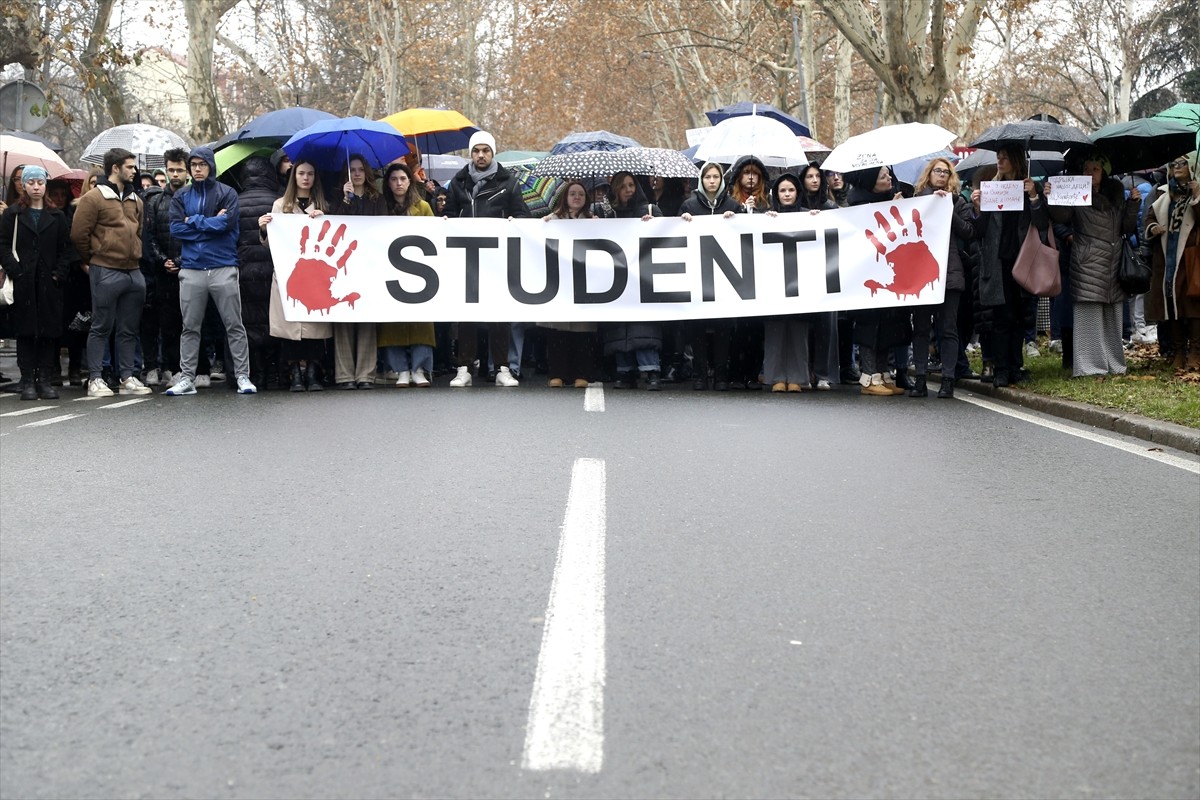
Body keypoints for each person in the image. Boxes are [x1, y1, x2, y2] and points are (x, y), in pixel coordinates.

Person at [162, 146, 255, 395]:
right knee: (190, 326)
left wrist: (194, 221)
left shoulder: (227, 193)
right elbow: (175, 229)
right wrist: (211, 222)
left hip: (223, 264)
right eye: (194, 165)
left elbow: (228, 224)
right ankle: (187, 378)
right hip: (192, 268)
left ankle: (243, 376)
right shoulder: (182, 196)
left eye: (202, 164)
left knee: (233, 324)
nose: (198, 169)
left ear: (211, 166)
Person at [442, 130, 532, 387]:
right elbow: (448, 212)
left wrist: (516, 221)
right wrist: (447, 220)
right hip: (467, 257)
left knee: (499, 313)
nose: (481, 155)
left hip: (498, 258)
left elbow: (521, 214)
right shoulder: (458, 182)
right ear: (471, 154)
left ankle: (502, 367)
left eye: (486, 151)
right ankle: (464, 368)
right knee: (466, 314)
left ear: (493, 153)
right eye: (476, 151)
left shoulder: (508, 182)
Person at [1045, 154, 1140, 378]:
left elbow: (1125, 227)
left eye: (1095, 169)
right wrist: (1051, 196)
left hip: (1113, 262)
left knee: (1112, 315)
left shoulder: (1115, 194)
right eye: (1086, 168)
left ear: (1103, 172)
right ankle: (1090, 367)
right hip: (1087, 261)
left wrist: (1134, 204)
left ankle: (1114, 364)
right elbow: (1061, 215)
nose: (1090, 172)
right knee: (1089, 315)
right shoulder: (1077, 191)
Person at [70, 147, 152, 397]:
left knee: (129, 328)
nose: (134, 171)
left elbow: (138, 233)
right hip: (105, 269)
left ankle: (127, 376)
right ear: (115, 168)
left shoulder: (136, 199)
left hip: (133, 271)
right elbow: (78, 235)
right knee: (101, 326)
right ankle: (95, 379)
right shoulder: (93, 198)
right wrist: (94, 259)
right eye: (129, 166)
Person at [970, 147, 1049, 388]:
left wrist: (1034, 196)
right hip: (999, 262)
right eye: (998, 157)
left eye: (1004, 157)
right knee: (1002, 317)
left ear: (1015, 160)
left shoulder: (1028, 188)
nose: (1000, 161)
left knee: (1020, 315)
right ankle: (1001, 368)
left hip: (1023, 260)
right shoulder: (991, 188)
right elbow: (980, 230)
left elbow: (1042, 222)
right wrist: (978, 208)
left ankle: (1016, 366)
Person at [259, 158, 331, 391]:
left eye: (310, 174)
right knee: (291, 328)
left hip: (316, 278)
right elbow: (272, 245)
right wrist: (264, 229)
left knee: (314, 327)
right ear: (294, 176)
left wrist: (325, 220)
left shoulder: (322, 205)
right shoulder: (280, 205)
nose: (306, 178)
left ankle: (313, 372)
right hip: (290, 275)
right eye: (301, 173)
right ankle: (294, 374)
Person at [0, 165, 71, 400]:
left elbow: (64, 249)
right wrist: (17, 271)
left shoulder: (57, 215)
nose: (36, 187)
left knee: (49, 331)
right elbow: (3, 246)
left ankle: (45, 380)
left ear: (45, 184)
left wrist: (58, 274)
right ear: (24, 186)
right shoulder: (14, 214)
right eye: (31, 183)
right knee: (26, 332)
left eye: (40, 182)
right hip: (24, 281)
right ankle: (28, 380)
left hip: (50, 282)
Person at [910, 156, 978, 397]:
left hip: (949, 272)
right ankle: (919, 377)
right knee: (919, 328)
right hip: (920, 275)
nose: (941, 175)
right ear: (928, 175)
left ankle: (948, 379)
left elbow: (969, 231)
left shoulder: (957, 202)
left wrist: (947, 208)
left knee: (947, 328)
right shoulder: (917, 202)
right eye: (937, 171)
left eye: (946, 172)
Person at [845, 164, 907, 396]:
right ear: (872, 181)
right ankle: (869, 378)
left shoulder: (891, 198)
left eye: (889, 173)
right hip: (867, 275)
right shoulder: (857, 205)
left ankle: (883, 373)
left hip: (888, 272)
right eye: (883, 175)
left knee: (888, 325)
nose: (889, 178)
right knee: (869, 326)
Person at [378, 161, 436, 387]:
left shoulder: (422, 207)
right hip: (391, 270)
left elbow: (435, 235)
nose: (398, 183)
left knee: (422, 321)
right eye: (393, 179)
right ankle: (400, 369)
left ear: (409, 181)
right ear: (388, 184)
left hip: (421, 273)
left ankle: (419, 368)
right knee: (393, 322)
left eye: (402, 179)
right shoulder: (381, 207)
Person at [604, 171, 663, 389]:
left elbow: (667, 236)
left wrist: (655, 223)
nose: (629, 190)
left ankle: (651, 370)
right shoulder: (609, 216)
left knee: (642, 323)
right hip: (618, 280)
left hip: (643, 279)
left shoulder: (649, 210)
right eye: (623, 186)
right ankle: (625, 370)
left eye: (632, 185)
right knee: (620, 325)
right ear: (616, 190)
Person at [539, 180, 601, 388]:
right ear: (565, 197)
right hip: (559, 284)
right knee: (557, 333)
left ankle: (581, 373)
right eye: (572, 194)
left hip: (582, 283)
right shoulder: (553, 220)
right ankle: (557, 373)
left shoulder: (592, 220)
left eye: (581, 195)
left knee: (582, 334)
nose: (576, 198)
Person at [333, 154, 387, 389]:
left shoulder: (378, 199)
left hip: (368, 263)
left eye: (359, 170)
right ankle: (344, 374)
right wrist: (346, 201)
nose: (356, 174)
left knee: (366, 318)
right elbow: (334, 225)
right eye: (351, 170)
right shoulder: (338, 197)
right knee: (342, 317)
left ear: (366, 173)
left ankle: (366, 374)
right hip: (343, 265)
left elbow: (382, 226)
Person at [1143, 152, 1200, 371]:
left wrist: (1196, 197)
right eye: (1173, 164)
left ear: (1192, 166)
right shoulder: (1163, 193)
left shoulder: (1198, 190)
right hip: (1167, 257)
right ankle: (1178, 352)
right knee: (1171, 304)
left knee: (1193, 305)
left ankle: (1195, 352)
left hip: (1191, 257)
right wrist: (1153, 228)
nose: (1176, 167)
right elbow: (1148, 217)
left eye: (1182, 163)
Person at [142, 148, 188, 388]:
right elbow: (149, 236)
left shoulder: (194, 198)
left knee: (187, 322)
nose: (175, 174)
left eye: (179, 169)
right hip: (162, 271)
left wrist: (180, 261)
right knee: (165, 321)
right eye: (171, 170)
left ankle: (183, 367)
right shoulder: (156, 200)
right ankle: (167, 367)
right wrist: (163, 260)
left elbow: (197, 235)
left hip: (188, 268)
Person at [234, 156, 281, 389]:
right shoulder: (278, 201)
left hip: (245, 271)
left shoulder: (236, 202)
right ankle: (274, 371)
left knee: (248, 323)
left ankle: (256, 371)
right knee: (272, 320)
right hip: (273, 269)